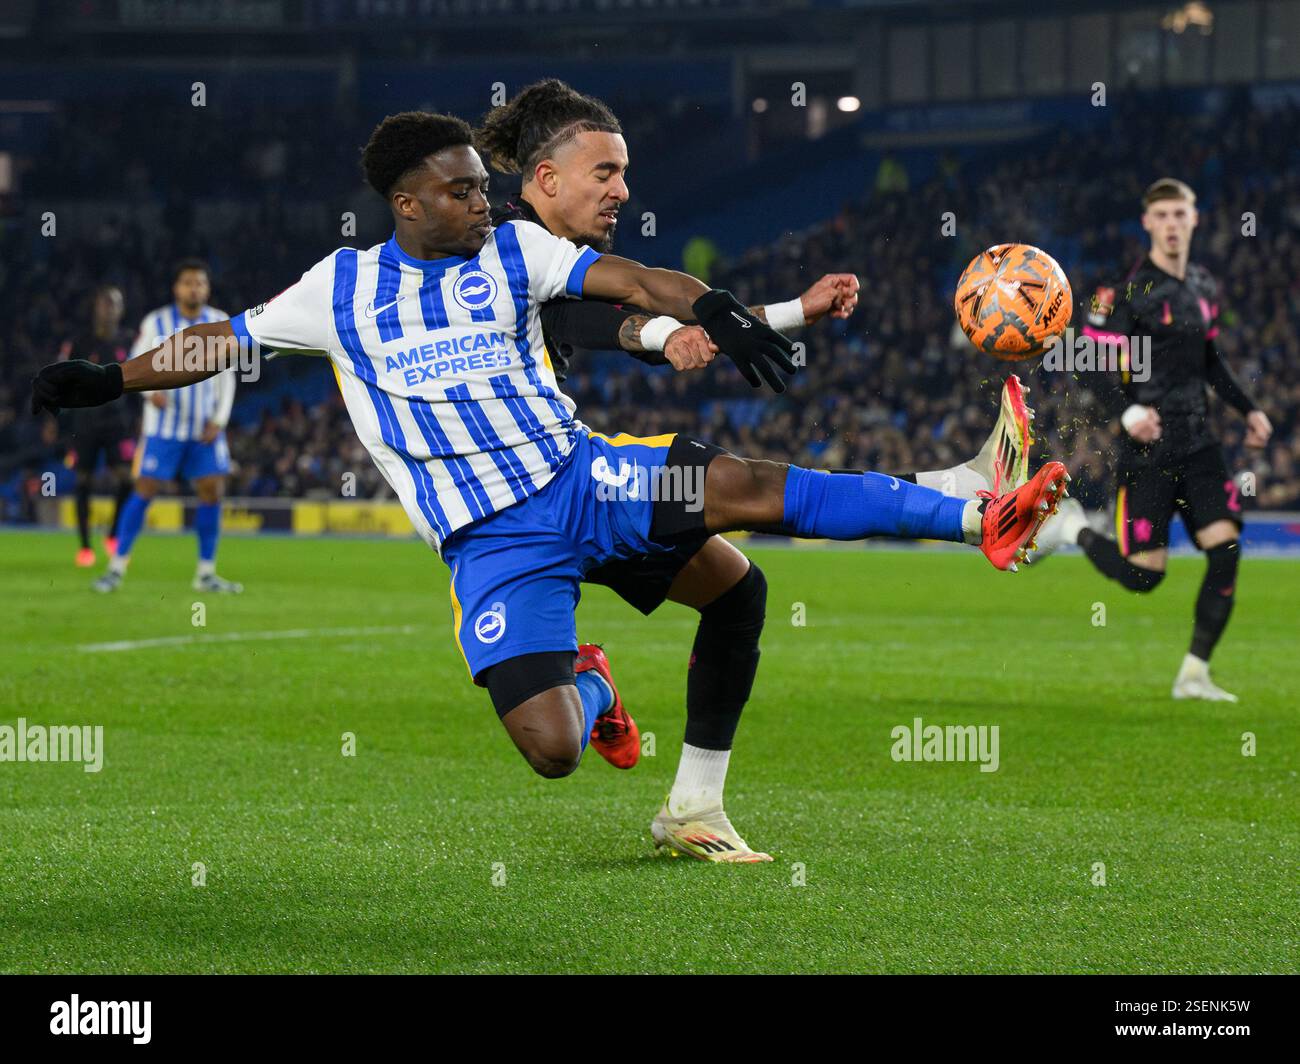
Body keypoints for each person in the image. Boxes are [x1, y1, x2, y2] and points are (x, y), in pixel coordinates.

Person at [33, 111, 1067, 859]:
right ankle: (599, 683)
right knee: (553, 749)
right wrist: (112, 379)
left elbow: (633, 283)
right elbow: (226, 339)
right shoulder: (336, 288)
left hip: (584, 478)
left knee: (743, 488)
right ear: (405, 202)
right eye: (460, 189)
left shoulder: (517, 249)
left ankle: (976, 510)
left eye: (484, 186)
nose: (483, 199)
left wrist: (723, 306)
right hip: (493, 542)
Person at [474, 79, 1039, 861]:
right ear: (545, 179)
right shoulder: (497, 245)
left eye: (624, 172)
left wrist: (769, 317)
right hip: (515, 514)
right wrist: (669, 331)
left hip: (585, 493)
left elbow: (604, 312)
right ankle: (966, 501)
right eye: (604, 173)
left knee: (738, 588)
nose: (622, 190)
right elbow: (596, 313)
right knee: (554, 743)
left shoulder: (554, 254)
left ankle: (694, 806)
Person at [1035, 178, 1272, 702]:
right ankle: (1073, 527)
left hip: (1200, 444)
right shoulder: (1121, 292)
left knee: (1226, 549)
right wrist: (1127, 413)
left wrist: (1249, 409)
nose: (1171, 224)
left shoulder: (1204, 287)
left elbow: (1210, 359)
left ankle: (1194, 674)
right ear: (1147, 223)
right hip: (1147, 452)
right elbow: (1088, 362)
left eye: (1179, 214)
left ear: (1194, 219)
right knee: (1145, 578)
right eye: (1161, 215)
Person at [92, 259, 243, 594]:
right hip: (163, 430)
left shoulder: (219, 322)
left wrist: (219, 420)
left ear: (207, 288)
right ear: (177, 288)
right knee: (144, 490)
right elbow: (133, 368)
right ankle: (116, 569)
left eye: (200, 283)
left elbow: (228, 376)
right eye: (188, 282)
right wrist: (149, 393)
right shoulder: (156, 322)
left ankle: (205, 573)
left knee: (212, 491)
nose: (194, 288)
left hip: (204, 428)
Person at [57, 284, 136, 566]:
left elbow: (140, 381)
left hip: (118, 423)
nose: (108, 308)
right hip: (85, 422)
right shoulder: (80, 343)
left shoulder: (130, 340)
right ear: (95, 308)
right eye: (104, 303)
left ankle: (113, 534)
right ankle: (85, 547)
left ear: (121, 309)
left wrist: (138, 418)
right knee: (83, 481)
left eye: (114, 303)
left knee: (127, 479)